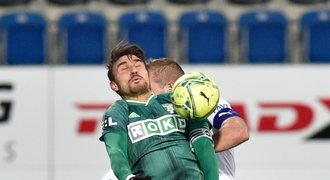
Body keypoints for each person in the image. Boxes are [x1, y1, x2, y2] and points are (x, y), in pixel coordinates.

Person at [99, 42, 219, 180]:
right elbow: (116, 151)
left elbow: (203, 145)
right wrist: (127, 177)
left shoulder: (178, 99)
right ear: (114, 85)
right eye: (124, 68)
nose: (134, 70)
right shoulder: (117, 112)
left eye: (138, 64)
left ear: (146, 72)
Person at [146, 58, 249, 180]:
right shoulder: (151, 114)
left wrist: (192, 151)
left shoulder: (199, 101)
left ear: (170, 87)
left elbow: (238, 131)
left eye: (148, 89)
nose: (145, 94)